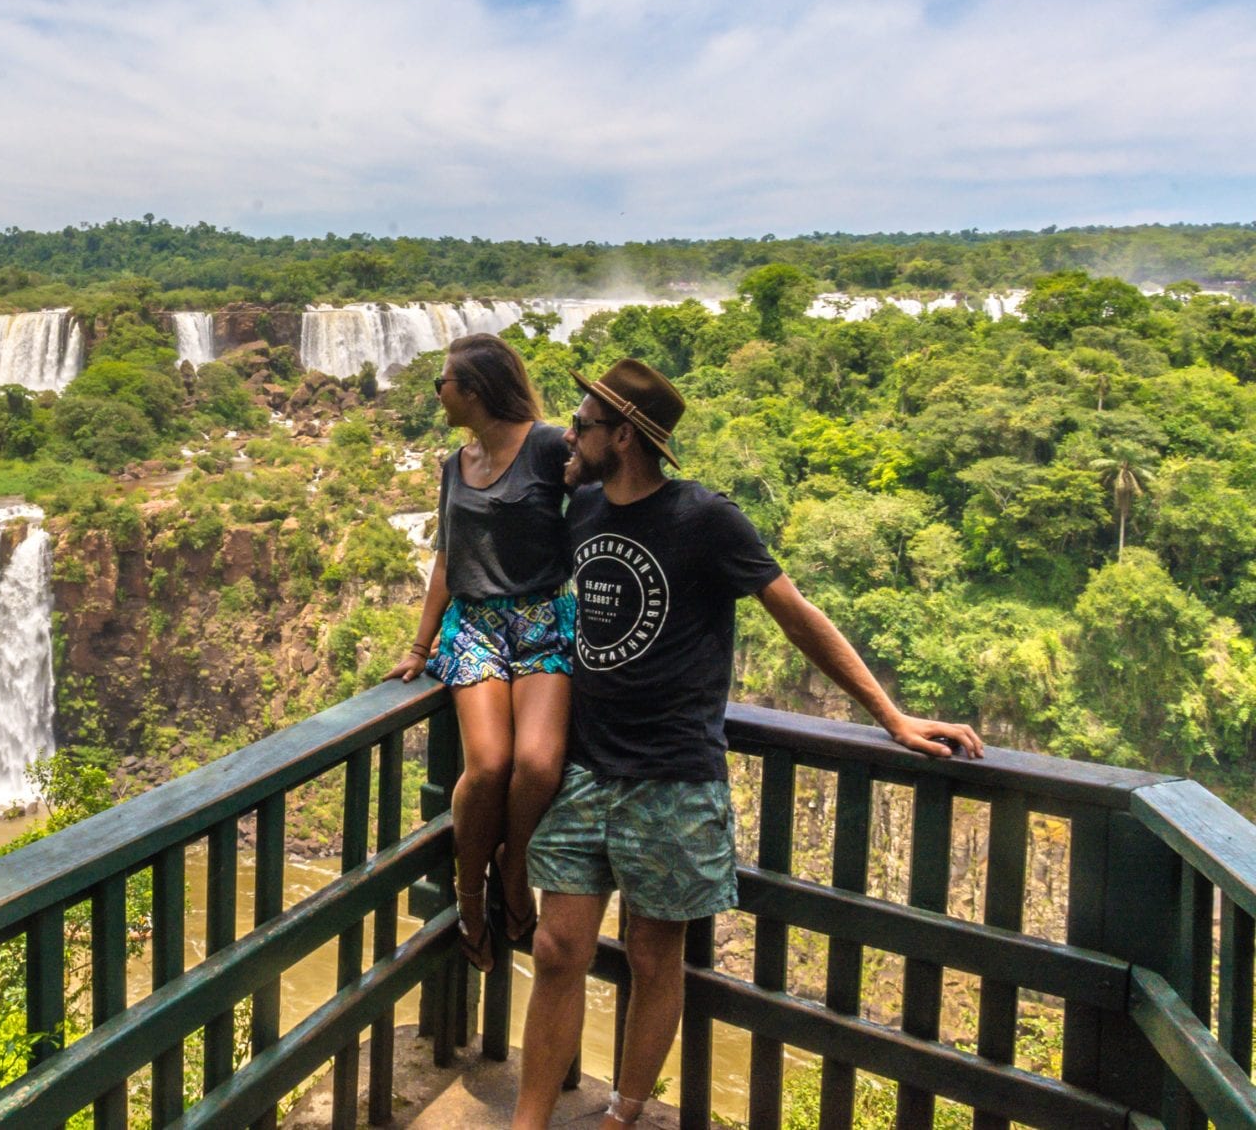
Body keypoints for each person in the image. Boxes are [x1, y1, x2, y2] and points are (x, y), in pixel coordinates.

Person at [513, 359, 984, 1130]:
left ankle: (623, 1115)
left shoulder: (705, 518)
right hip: (586, 767)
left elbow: (796, 616)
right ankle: (528, 1122)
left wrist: (891, 716)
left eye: (586, 423)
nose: (572, 433)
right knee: (560, 946)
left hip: (671, 776)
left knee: (653, 956)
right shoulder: (585, 506)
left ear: (625, 435)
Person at [389, 333, 575, 975]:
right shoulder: (453, 465)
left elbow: (602, 505)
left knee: (539, 764)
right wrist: (420, 645)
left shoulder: (550, 447)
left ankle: (514, 864)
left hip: (543, 617)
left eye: (442, 382)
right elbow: (447, 557)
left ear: (473, 391)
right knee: (490, 765)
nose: (436, 392)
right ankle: (471, 893)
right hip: (474, 626)